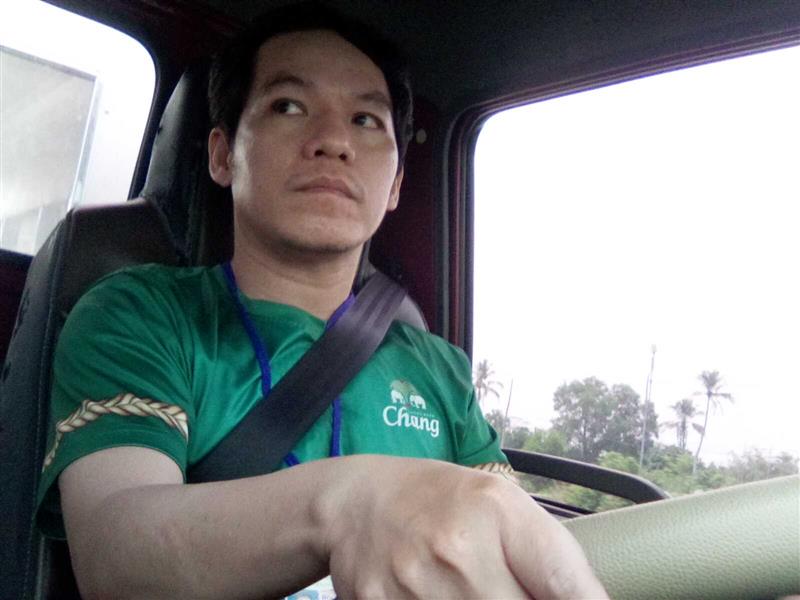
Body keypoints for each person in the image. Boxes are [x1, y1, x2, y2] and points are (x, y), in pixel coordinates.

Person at [37, 5, 608, 599]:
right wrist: (344, 506)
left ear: (395, 185)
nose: (334, 141)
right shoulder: (138, 314)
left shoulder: (438, 368)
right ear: (222, 154)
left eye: (365, 120)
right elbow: (116, 552)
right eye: (288, 106)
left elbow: (514, 533)